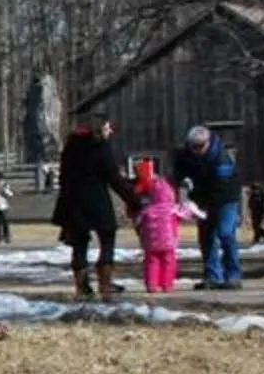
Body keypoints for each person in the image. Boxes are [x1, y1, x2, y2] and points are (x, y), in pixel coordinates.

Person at [55, 118, 132, 298]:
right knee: (107, 238)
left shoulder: (71, 146)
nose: (110, 131)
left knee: (79, 244)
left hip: (72, 200)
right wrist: (133, 199)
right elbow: (113, 177)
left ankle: (82, 286)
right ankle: (105, 283)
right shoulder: (100, 147)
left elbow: (63, 176)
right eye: (107, 127)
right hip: (96, 200)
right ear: (98, 129)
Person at [176, 125, 244, 290]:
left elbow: (222, 186)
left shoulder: (221, 157)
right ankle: (212, 276)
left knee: (225, 233)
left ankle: (233, 275)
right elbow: (180, 173)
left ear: (208, 142)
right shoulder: (185, 155)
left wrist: (207, 207)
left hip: (227, 198)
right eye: (193, 146)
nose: (196, 150)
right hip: (203, 199)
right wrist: (184, 186)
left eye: (200, 146)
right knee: (206, 236)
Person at [133, 164, 180, 293]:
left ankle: (152, 284)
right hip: (168, 242)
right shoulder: (172, 210)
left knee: (151, 263)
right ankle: (167, 284)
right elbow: (184, 214)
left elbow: (138, 221)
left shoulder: (147, 210)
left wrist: (139, 230)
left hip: (151, 242)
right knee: (168, 262)